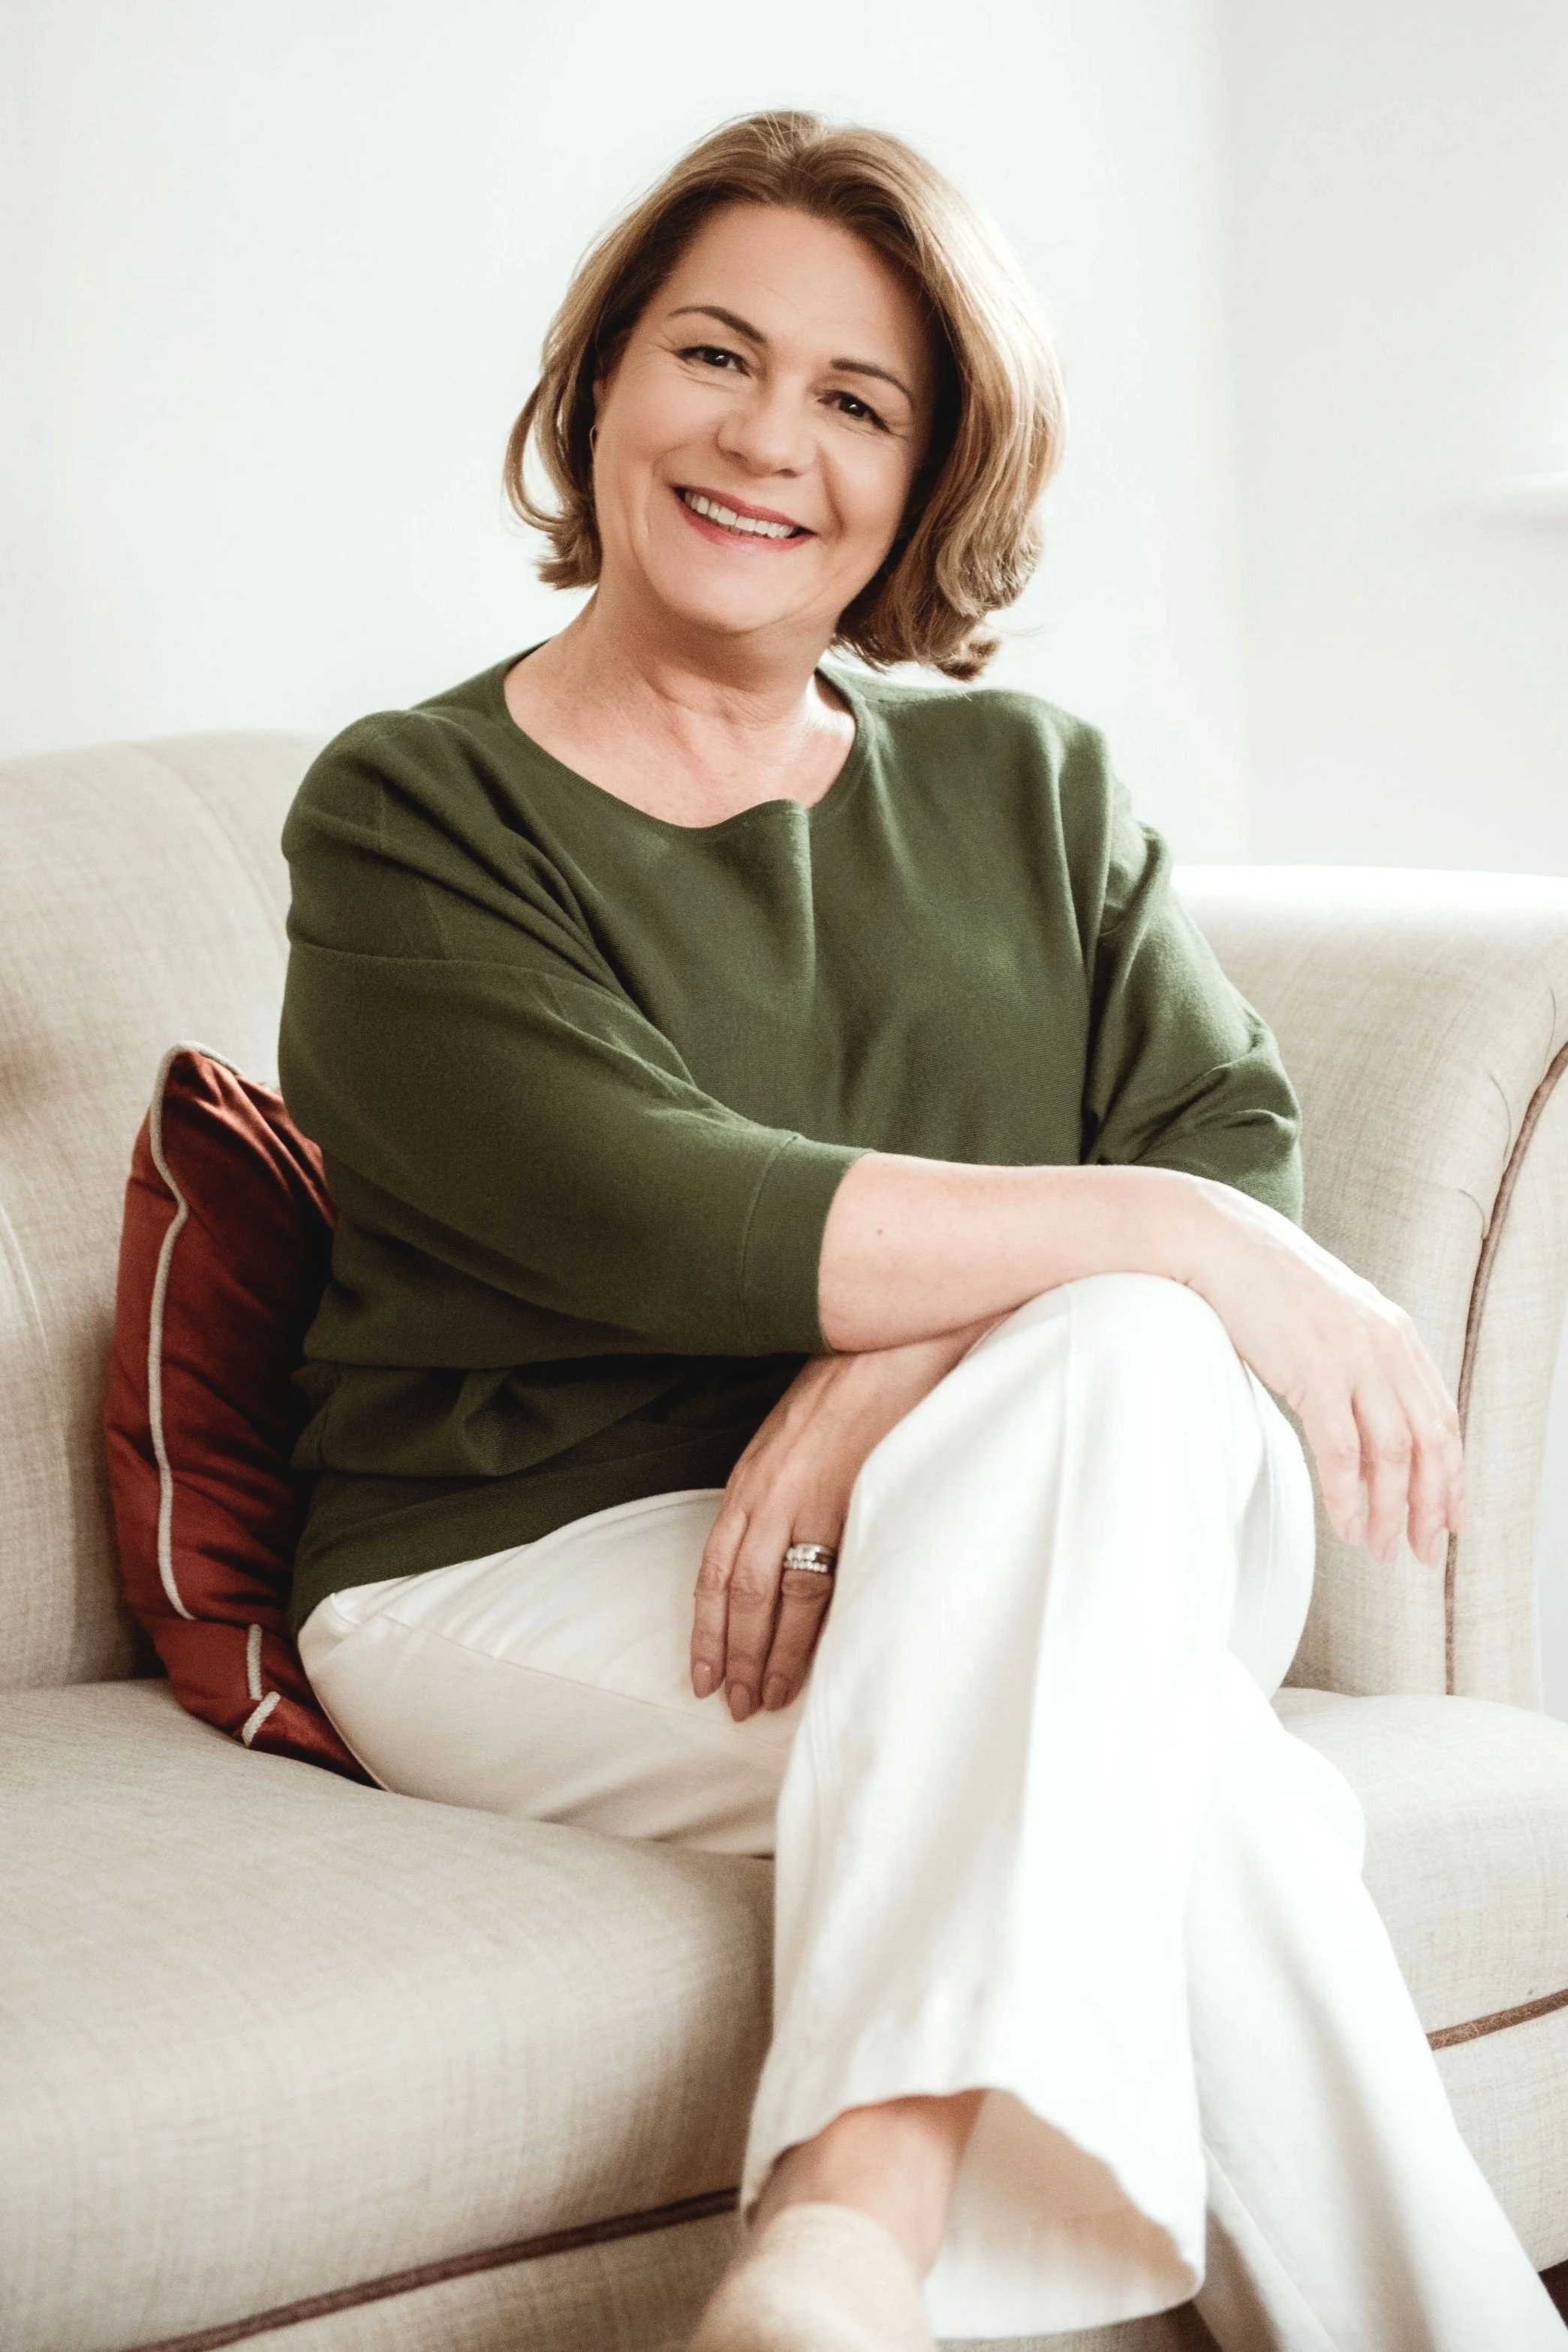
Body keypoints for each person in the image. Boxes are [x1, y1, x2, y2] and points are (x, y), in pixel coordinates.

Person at [278, 110, 1564, 2352]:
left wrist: (907, 1366)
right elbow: (654, 1202)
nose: (766, 441)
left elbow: (1225, 1134)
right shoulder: (412, 811)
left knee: (1133, 1349)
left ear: (931, 471)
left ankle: (843, 2243)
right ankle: (892, 2246)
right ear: (601, 381)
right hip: (535, 1552)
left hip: (1061, 1484)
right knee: (1188, 1793)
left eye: (855, 400)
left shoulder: (1026, 783)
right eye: (714, 355)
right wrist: (1155, 1229)